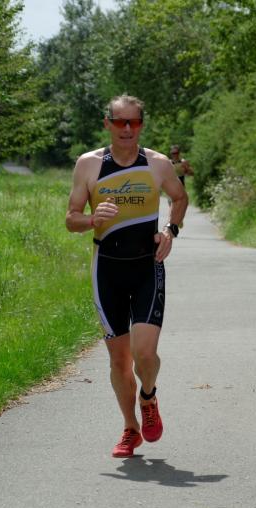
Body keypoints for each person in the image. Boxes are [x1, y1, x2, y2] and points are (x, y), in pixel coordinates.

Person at [65, 94, 188, 458]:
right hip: (107, 270)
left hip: (147, 265)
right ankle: (130, 428)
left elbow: (179, 198)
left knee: (144, 353)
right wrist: (92, 219)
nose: (127, 129)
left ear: (141, 125)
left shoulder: (157, 164)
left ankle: (148, 397)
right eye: (120, 122)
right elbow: (71, 219)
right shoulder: (89, 164)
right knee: (120, 361)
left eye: (134, 122)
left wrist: (170, 231)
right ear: (108, 124)